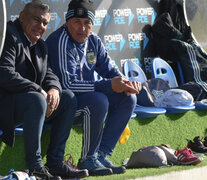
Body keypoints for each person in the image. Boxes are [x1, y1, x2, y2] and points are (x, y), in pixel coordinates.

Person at [46, 0, 142, 176]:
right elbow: (68, 84)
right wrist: (108, 85)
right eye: (77, 22)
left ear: (92, 24)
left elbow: (111, 70)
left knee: (128, 98)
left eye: (87, 23)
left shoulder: (94, 41)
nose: (82, 28)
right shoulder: (60, 41)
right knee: (99, 100)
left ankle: (100, 154)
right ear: (67, 22)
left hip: (86, 103)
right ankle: (88, 159)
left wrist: (127, 83)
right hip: (61, 108)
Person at [0, 1, 89, 179]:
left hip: (31, 103)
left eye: (45, 23)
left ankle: (55, 163)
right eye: (36, 20)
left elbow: (49, 74)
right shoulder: (8, 34)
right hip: (6, 105)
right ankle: (35, 167)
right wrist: (39, 90)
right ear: (22, 17)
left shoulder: (41, 45)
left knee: (68, 98)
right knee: (37, 99)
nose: (41, 27)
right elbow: (4, 73)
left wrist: (54, 89)